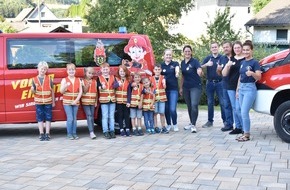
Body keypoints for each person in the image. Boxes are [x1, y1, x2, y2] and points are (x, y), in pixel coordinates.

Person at [236, 40, 261, 142]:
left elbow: (259, 77)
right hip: (241, 88)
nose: (246, 52)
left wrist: (252, 73)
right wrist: (237, 89)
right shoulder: (242, 62)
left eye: (248, 50)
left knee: (244, 112)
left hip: (250, 89)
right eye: (244, 50)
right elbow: (240, 77)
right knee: (241, 111)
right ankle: (244, 132)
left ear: (251, 50)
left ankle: (246, 135)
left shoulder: (255, 62)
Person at [201, 42, 226, 128]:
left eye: (215, 47)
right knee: (210, 102)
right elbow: (200, 67)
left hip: (220, 82)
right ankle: (210, 121)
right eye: (212, 47)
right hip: (210, 83)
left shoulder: (222, 58)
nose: (214, 48)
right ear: (211, 49)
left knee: (222, 102)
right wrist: (206, 64)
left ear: (218, 48)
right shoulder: (208, 58)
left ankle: (225, 121)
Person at [222, 41, 244, 135]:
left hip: (242, 86)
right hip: (231, 86)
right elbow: (224, 74)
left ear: (241, 48)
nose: (237, 49)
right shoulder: (231, 59)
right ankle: (238, 127)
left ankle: (244, 127)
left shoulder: (245, 59)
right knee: (234, 107)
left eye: (238, 47)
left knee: (240, 108)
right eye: (235, 48)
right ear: (233, 49)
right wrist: (227, 65)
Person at [180, 45, 203, 133]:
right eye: (185, 51)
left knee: (194, 105)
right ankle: (191, 122)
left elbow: (199, 69)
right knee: (189, 106)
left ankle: (193, 125)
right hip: (186, 87)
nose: (187, 53)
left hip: (195, 86)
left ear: (191, 52)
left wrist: (199, 71)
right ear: (183, 53)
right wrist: (181, 87)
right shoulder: (182, 63)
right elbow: (183, 76)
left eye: (189, 51)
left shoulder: (195, 61)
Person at [31, 61, 55, 141]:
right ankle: (41, 133)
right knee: (39, 118)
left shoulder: (49, 79)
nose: (43, 70)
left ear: (46, 70)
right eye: (41, 69)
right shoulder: (34, 79)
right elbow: (33, 92)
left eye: (45, 69)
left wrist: (53, 101)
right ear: (38, 69)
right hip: (38, 102)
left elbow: (52, 91)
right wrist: (32, 90)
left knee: (48, 118)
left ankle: (47, 133)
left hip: (48, 102)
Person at [60, 63, 83, 140]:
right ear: (67, 71)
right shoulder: (64, 80)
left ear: (75, 71)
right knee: (70, 118)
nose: (71, 71)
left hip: (75, 102)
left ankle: (74, 133)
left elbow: (80, 92)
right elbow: (61, 92)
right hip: (67, 102)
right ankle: (69, 134)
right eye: (69, 70)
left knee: (74, 118)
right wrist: (65, 86)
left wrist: (76, 100)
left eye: (73, 70)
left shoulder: (78, 80)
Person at [97, 63, 118, 139]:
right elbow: (98, 88)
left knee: (111, 117)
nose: (105, 71)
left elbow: (115, 86)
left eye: (106, 69)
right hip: (104, 101)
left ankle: (112, 131)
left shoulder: (113, 77)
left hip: (112, 100)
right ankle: (105, 131)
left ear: (109, 69)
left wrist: (118, 84)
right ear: (101, 70)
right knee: (105, 116)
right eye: (104, 69)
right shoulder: (99, 78)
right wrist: (102, 87)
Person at [161, 49, 180, 132]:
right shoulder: (161, 65)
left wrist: (177, 73)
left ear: (172, 56)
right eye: (167, 55)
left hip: (173, 90)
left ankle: (175, 124)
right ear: (164, 56)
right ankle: (168, 124)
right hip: (164, 90)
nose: (168, 56)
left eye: (170, 55)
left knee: (172, 109)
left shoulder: (175, 63)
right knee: (166, 109)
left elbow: (177, 69)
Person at [217, 41, 234, 131]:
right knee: (226, 105)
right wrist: (219, 70)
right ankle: (229, 124)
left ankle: (239, 125)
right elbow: (219, 73)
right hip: (225, 85)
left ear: (231, 47)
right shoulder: (222, 58)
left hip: (235, 86)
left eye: (227, 47)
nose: (225, 49)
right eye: (223, 47)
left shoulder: (236, 57)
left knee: (235, 106)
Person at [150, 64, 169, 134]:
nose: (157, 71)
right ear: (153, 70)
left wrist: (164, 84)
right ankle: (156, 127)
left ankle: (163, 127)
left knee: (162, 113)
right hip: (154, 99)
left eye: (158, 70)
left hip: (162, 98)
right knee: (155, 113)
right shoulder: (151, 78)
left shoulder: (163, 77)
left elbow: (164, 86)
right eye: (156, 70)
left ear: (161, 70)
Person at [81, 67, 98, 139]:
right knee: (89, 115)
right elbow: (84, 91)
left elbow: (96, 92)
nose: (91, 75)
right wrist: (88, 84)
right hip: (85, 102)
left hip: (92, 102)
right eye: (89, 73)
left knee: (92, 116)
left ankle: (92, 131)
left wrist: (96, 101)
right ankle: (91, 132)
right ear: (85, 73)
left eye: (92, 73)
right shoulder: (83, 81)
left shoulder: (95, 81)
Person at [115, 65, 131, 137]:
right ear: (118, 72)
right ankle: (121, 129)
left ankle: (127, 129)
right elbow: (113, 86)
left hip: (125, 101)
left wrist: (128, 101)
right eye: (121, 71)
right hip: (118, 101)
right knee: (120, 115)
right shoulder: (116, 79)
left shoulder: (128, 80)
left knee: (126, 115)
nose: (122, 73)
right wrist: (118, 84)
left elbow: (129, 92)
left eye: (123, 71)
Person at [127, 72, 144, 136]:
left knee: (139, 117)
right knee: (133, 117)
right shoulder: (131, 85)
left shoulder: (142, 86)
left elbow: (142, 94)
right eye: (136, 77)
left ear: (140, 78)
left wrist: (141, 103)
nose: (137, 78)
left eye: (139, 77)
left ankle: (139, 128)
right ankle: (134, 128)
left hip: (139, 104)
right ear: (133, 79)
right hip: (132, 104)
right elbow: (129, 90)